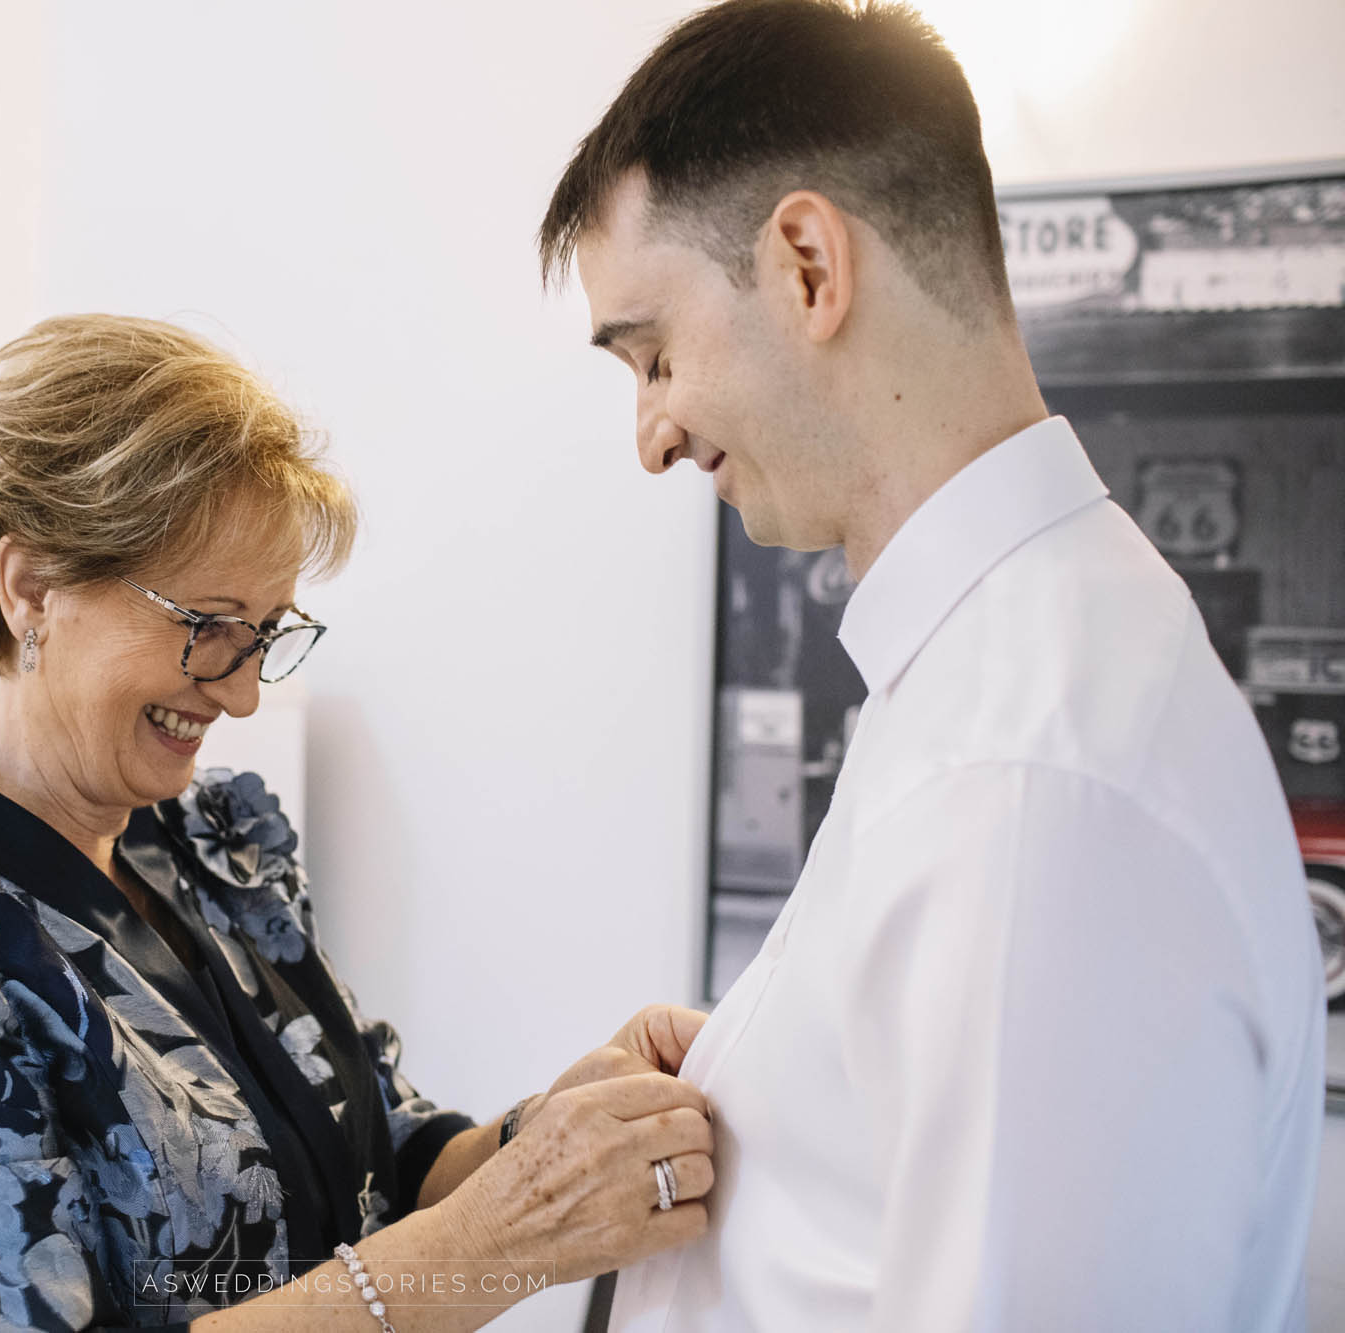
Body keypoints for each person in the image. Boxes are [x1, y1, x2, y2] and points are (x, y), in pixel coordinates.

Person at [537, 2, 1324, 1330]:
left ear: (805, 265)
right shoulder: (991, 675)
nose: (651, 436)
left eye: (655, 355)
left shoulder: (1029, 773)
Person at [0, 314, 717, 1332]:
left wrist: (552, 1133)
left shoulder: (206, 842)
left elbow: (384, 1151)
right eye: (206, 626)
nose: (241, 694)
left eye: (264, 635)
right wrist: (492, 1244)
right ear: (30, 586)